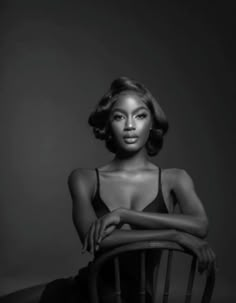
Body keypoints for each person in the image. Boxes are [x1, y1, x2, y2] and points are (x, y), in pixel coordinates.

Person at [1, 77, 216, 303]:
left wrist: (124, 214)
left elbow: (200, 225)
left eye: (140, 115)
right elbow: (94, 240)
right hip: (86, 291)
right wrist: (173, 236)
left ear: (152, 122)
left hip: (137, 297)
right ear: (108, 125)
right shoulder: (85, 178)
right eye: (119, 117)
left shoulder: (175, 178)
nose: (130, 125)